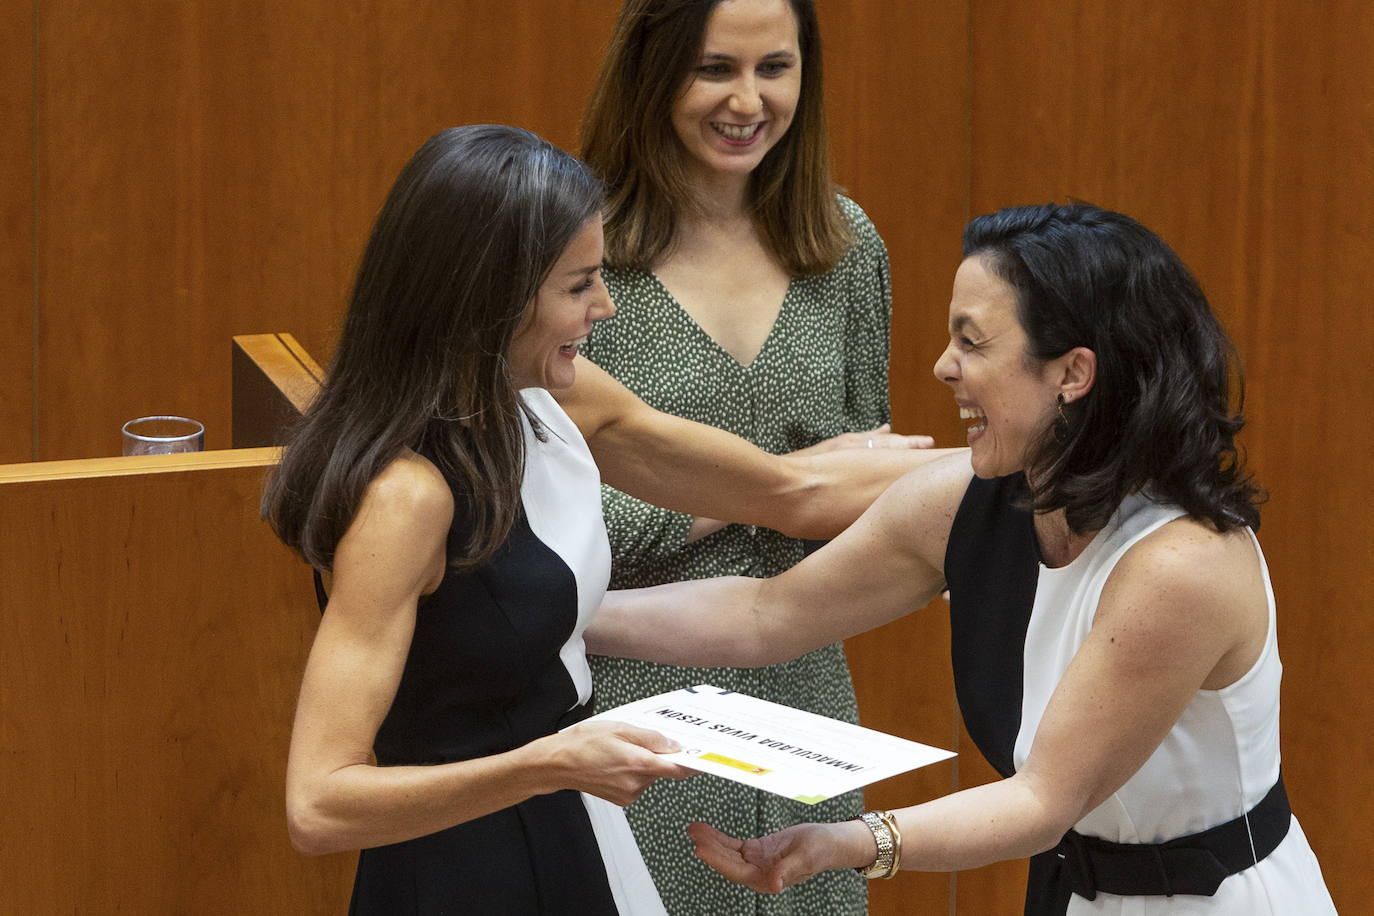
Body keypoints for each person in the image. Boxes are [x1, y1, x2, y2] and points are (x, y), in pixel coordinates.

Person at [264, 124, 938, 915]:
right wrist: (549, 765)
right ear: (493, 298)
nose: (605, 307)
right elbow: (318, 805)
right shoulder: (406, 500)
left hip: (569, 823)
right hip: (462, 867)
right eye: (580, 285)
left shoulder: (555, 396)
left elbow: (787, 491)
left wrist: (1015, 476)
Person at [589, 203, 1337, 914]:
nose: (943, 367)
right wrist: (566, 615)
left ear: (1072, 374)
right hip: (1078, 890)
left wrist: (853, 840)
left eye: (972, 342)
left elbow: (1042, 801)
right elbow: (767, 613)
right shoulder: (964, 499)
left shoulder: (1181, 565)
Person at [579, 2, 927, 911]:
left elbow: (867, 497)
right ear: (652, 71)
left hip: (804, 690)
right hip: (626, 693)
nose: (748, 100)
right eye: (713, 70)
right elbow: (543, 526)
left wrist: (848, 500)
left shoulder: (846, 248)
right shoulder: (576, 251)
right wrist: (772, 493)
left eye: (774, 67)